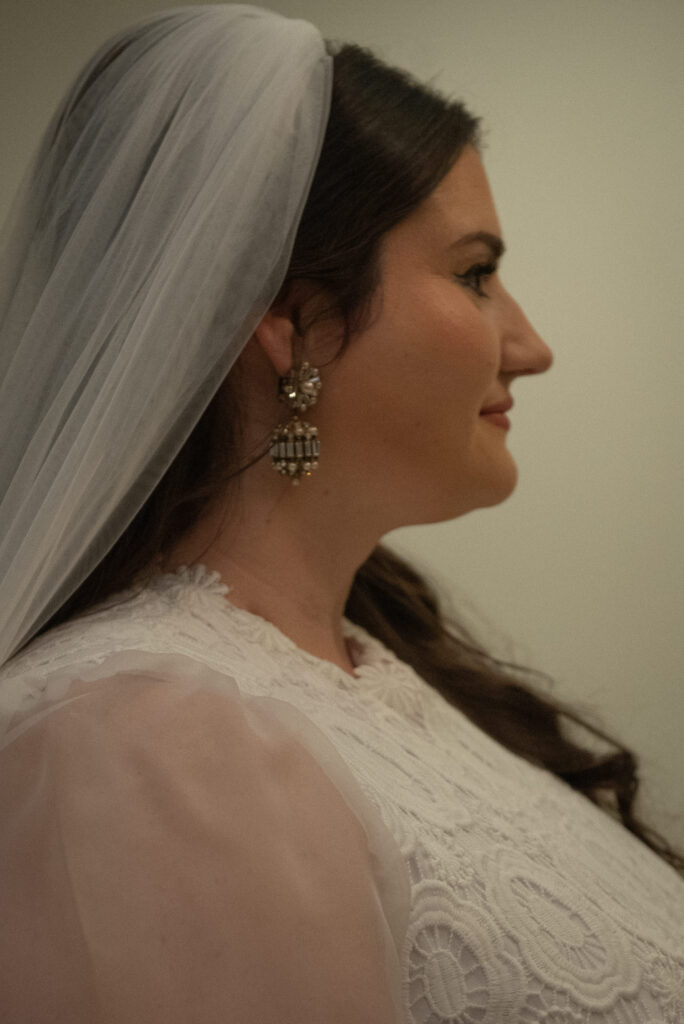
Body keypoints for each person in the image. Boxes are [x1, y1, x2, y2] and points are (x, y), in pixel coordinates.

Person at [0, 5, 682, 1022]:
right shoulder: (142, 745)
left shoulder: (377, 669)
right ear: (293, 321)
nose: (529, 344)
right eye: (477, 274)